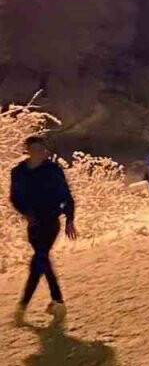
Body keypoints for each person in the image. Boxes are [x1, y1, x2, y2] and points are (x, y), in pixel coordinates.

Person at [9, 135, 76, 325]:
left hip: (51, 221)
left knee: (40, 258)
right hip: (34, 224)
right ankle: (57, 302)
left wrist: (70, 218)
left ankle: (23, 306)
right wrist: (26, 213)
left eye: (42, 148)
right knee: (41, 259)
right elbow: (14, 198)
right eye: (36, 148)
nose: (40, 152)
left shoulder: (53, 170)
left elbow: (66, 195)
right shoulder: (18, 172)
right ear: (28, 150)